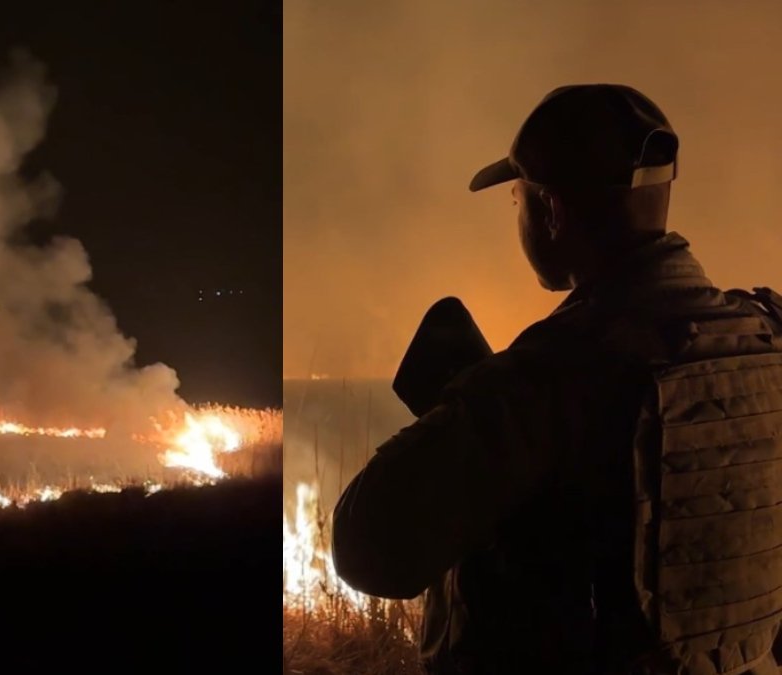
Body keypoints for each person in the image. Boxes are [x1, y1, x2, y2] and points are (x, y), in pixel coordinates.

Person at [330, 84, 782, 675]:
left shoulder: (549, 376)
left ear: (550, 211)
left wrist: (467, 407)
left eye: (517, 198)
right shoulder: (766, 338)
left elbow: (368, 550)